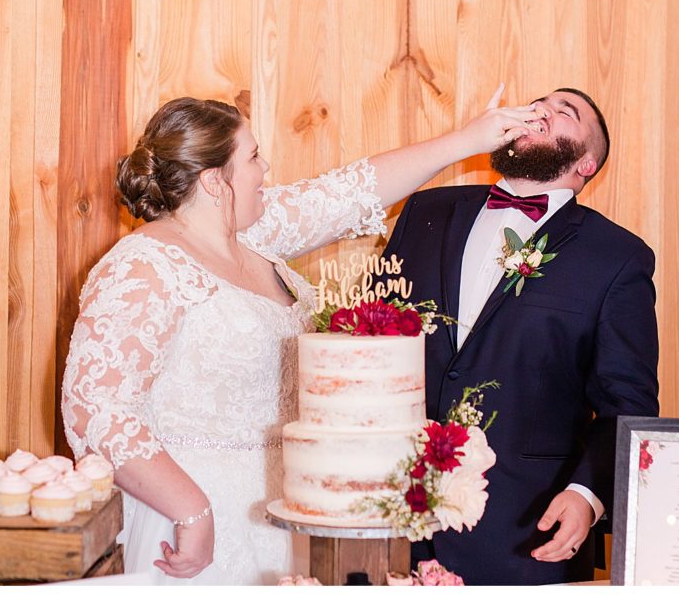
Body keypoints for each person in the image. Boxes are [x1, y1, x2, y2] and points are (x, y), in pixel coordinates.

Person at [60, 89, 538, 584]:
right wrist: (191, 510)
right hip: (191, 520)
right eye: (253, 156)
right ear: (214, 182)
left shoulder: (256, 235)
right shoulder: (142, 266)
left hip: (288, 514)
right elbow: (96, 407)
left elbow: (354, 192)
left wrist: (468, 140)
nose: (266, 168)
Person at [382, 88, 660, 585]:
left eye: (565, 113)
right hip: (389, 519)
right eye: (539, 105)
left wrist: (587, 495)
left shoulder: (617, 257)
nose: (542, 112)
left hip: (522, 533)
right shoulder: (422, 211)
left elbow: (629, 404)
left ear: (588, 164)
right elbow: (372, 340)